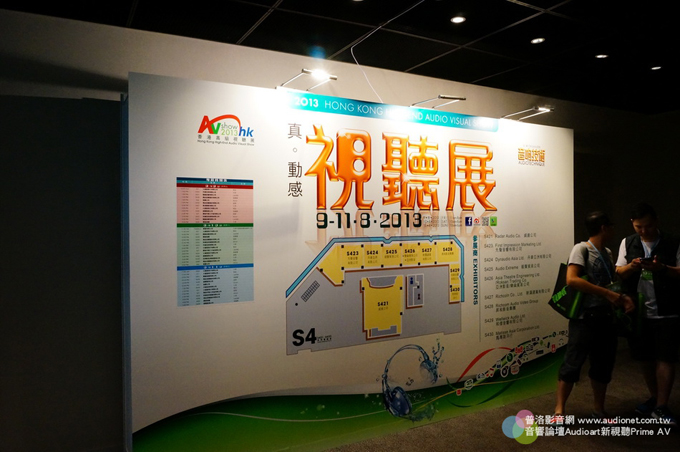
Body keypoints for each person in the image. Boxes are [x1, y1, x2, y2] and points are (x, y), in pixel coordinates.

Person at [554, 211, 634, 420]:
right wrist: (607, 294)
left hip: (605, 317)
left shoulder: (606, 252)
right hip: (584, 318)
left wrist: (621, 297)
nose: (614, 230)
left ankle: (599, 409)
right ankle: (559, 411)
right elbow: (572, 279)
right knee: (572, 364)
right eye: (611, 226)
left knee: (602, 366)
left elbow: (609, 282)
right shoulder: (581, 249)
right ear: (604, 228)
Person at [615, 202, 680, 425]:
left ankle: (662, 405)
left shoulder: (673, 242)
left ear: (657, 221)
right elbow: (619, 272)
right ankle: (655, 398)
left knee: (665, 358)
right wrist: (632, 266)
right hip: (638, 310)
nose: (644, 231)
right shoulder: (628, 242)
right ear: (632, 224)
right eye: (638, 227)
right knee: (645, 358)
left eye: (648, 226)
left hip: (667, 309)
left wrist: (662, 268)